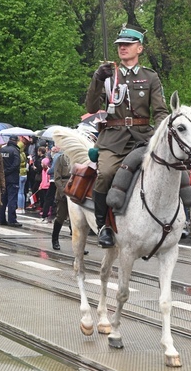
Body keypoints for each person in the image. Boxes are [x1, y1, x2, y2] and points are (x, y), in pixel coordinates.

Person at [85, 25, 168, 248]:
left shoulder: (150, 77)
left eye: (128, 45)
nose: (122, 48)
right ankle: (103, 225)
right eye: (120, 45)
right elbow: (91, 107)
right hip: (113, 138)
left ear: (139, 48)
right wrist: (96, 79)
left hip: (142, 136)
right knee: (107, 173)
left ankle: (175, 220)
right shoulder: (108, 74)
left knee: (170, 166)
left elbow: (160, 111)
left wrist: (160, 135)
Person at [0, 135, 23, 227]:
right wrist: (7, 171)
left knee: (2, 199)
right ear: (16, 141)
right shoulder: (15, 151)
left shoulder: (2, 150)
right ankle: (12, 220)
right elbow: (16, 164)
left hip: (2, 178)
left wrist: (3, 173)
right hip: (12, 178)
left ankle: (1, 219)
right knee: (12, 199)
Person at [51, 148, 71, 250]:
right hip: (63, 190)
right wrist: (63, 191)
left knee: (75, 219)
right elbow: (57, 178)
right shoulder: (60, 159)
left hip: (74, 190)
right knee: (61, 217)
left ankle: (78, 245)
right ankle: (55, 239)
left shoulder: (76, 158)